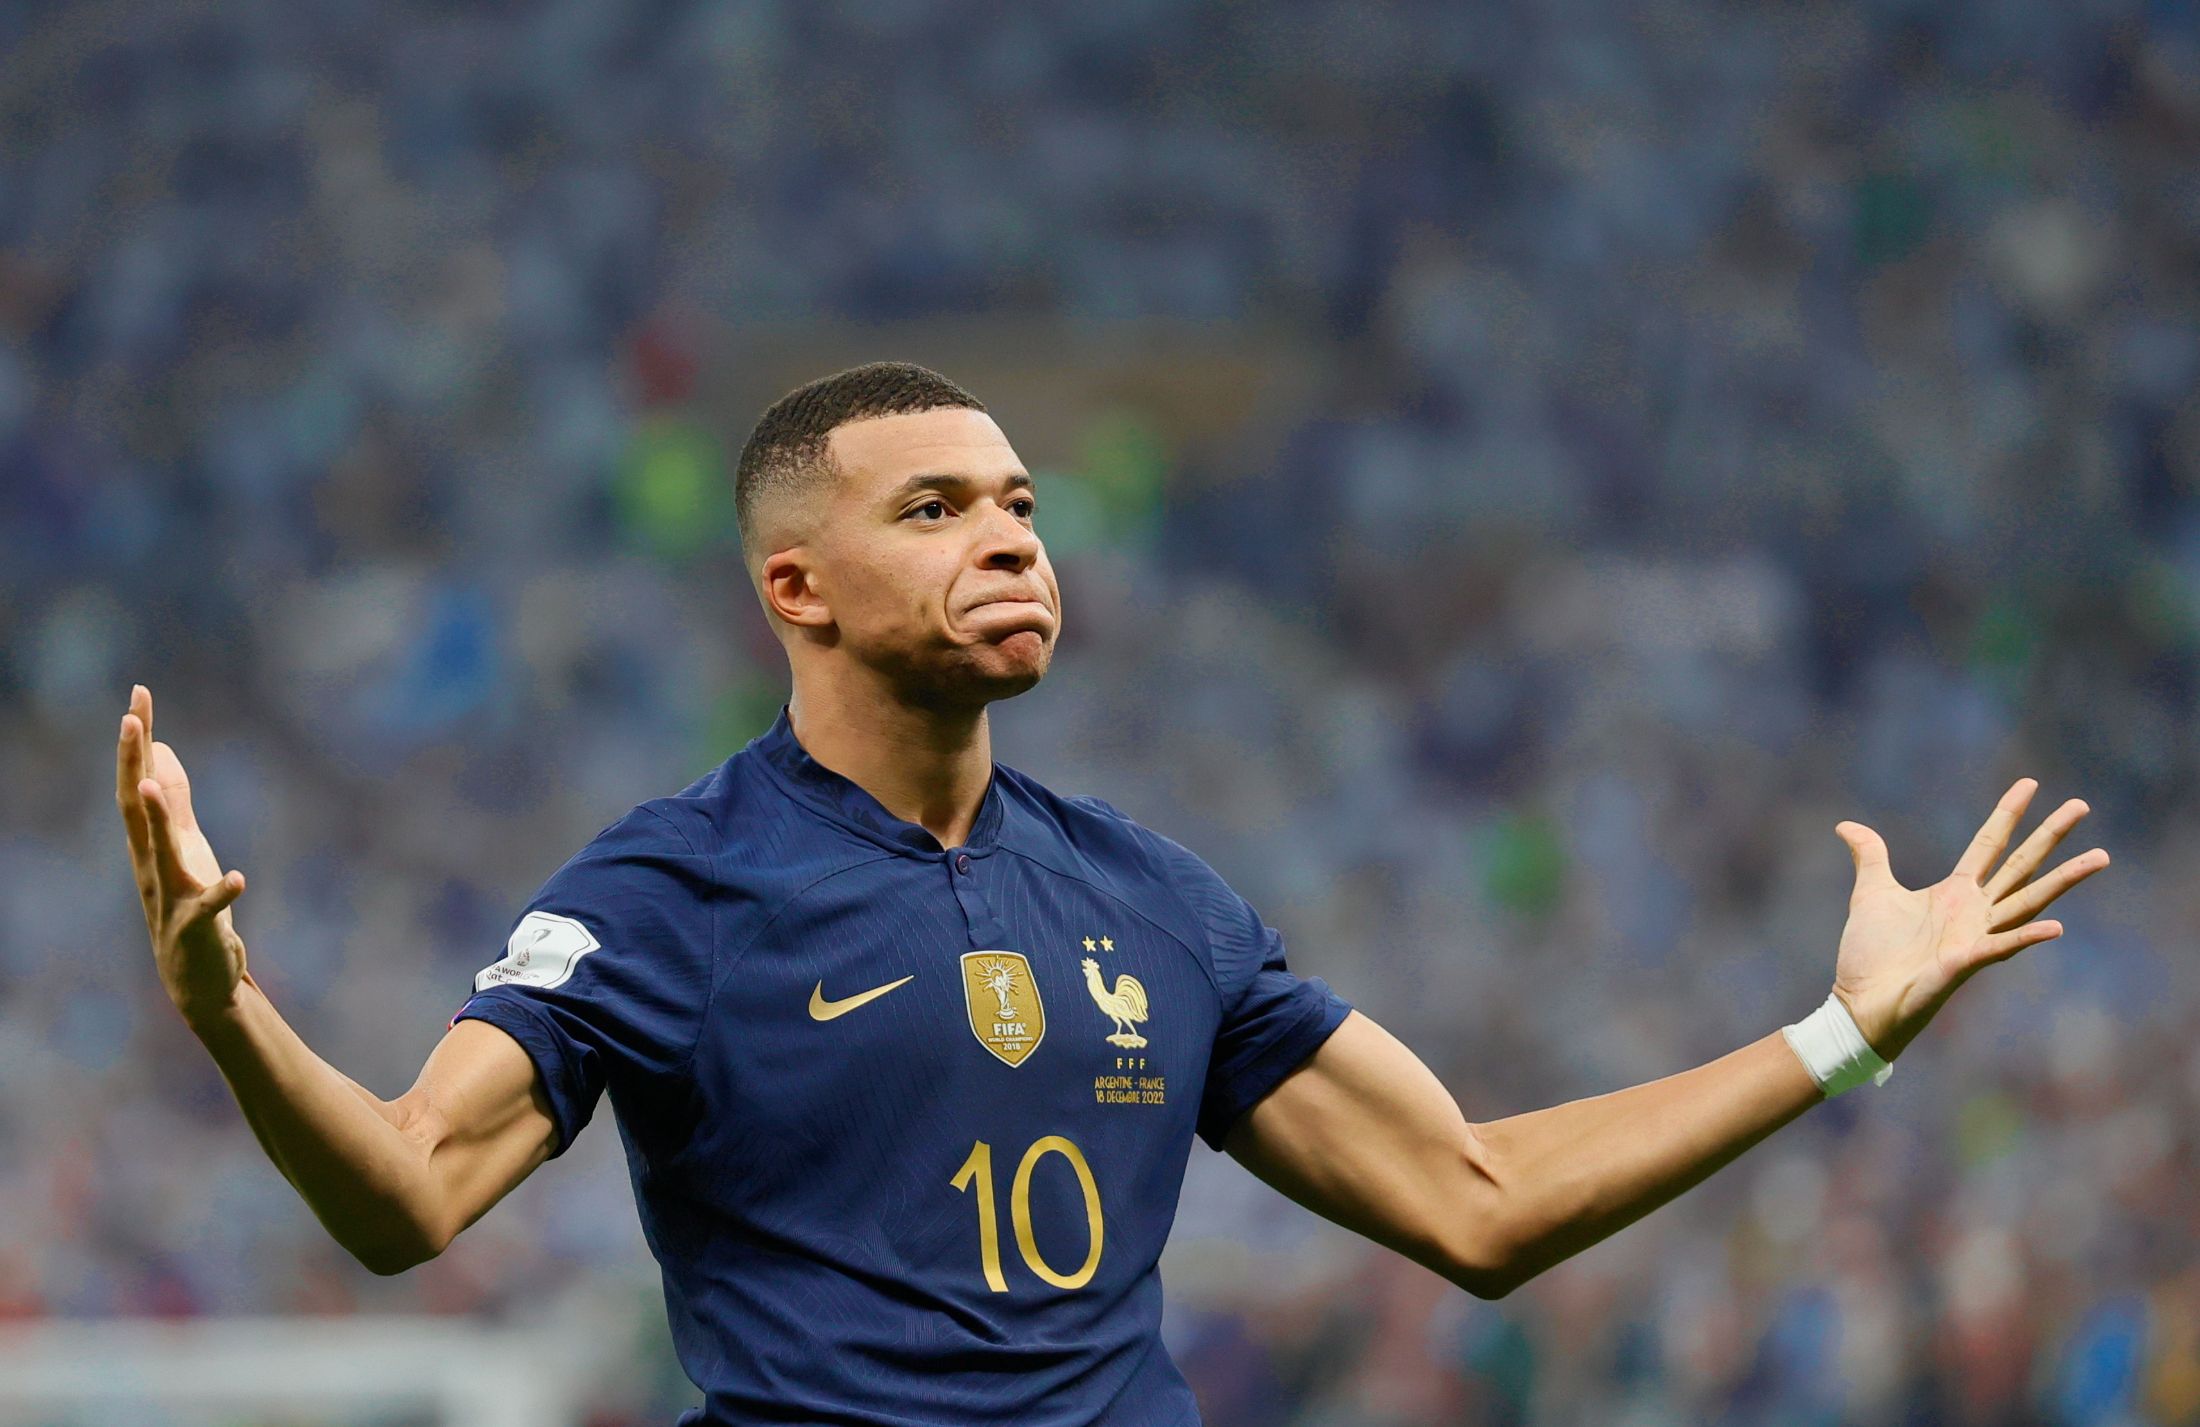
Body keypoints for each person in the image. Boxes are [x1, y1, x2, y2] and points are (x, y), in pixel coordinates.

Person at [117, 361, 2112, 1426]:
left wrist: (1842, 1037)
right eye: (934, 510)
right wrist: (229, 1012)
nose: (1007, 539)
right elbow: (406, 1194)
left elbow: (1477, 1202)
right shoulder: (670, 890)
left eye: (1019, 506)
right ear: (795, 588)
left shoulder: (1154, 899)